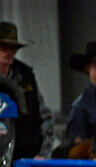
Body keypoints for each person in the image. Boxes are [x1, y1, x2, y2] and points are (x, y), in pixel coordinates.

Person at [0, 21, 55, 160]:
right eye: (3, 48)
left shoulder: (26, 77)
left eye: (13, 48)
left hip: (28, 161)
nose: (9, 53)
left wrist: (43, 154)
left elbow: (45, 118)